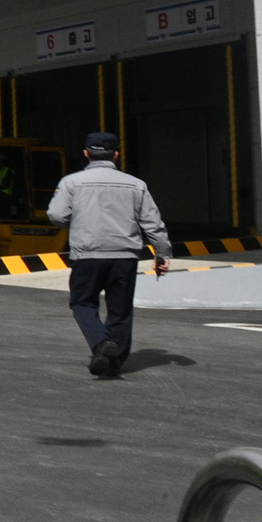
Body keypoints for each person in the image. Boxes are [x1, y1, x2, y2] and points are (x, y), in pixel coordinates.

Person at [46, 132, 170, 378]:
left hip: (87, 255)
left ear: (85, 153)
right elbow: (152, 224)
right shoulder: (136, 184)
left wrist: (79, 217)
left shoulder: (71, 182)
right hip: (124, 257)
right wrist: (162, 254)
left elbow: (57, 216)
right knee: (120, 311)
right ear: (116, 155)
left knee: (82, 303)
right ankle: (112, 364)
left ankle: (101, 343)